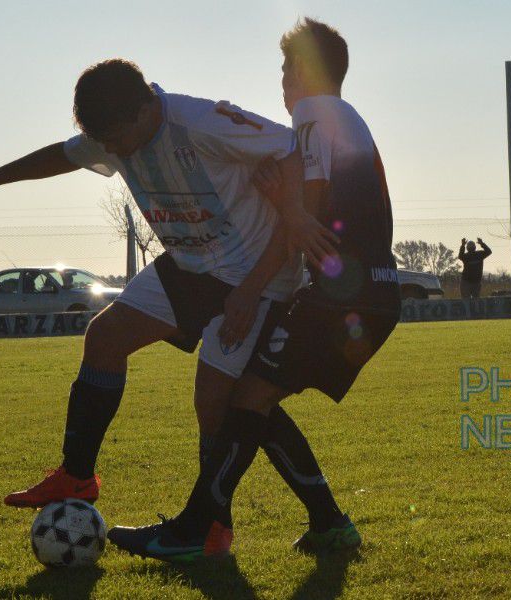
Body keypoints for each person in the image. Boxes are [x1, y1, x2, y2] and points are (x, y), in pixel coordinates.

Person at [0, 59, 340, 556]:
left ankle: (214, 530)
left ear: (144, 110)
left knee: (222, 402)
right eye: (101, 142)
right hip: (191, 264)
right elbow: (65, 155)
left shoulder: (203, 122)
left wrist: (262, 273)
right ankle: (78, 476)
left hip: (253, 272)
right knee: (105, 339)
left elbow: (292, 148)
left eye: (113, 141)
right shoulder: (115, 128)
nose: (108, 152)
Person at [107, 18, 402, 562]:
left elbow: (305, 217)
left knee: (246, 399)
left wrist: (278, 221)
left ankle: (197, 529)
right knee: (254, 398)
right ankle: (328, 524)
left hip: (342, 297)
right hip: (372, 293)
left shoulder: (312, 114)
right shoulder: (349, 117)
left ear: (308, 71)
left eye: (288, 67)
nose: (283, 80)